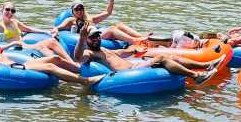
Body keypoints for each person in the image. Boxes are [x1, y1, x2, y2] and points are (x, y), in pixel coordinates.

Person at [0, 20, 104, 89]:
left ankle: (83, 71)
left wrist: (11, 45)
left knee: (54, 58)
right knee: (50, 66)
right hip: (13, 68)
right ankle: (85, 81)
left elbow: (0, 51)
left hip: (17, 64)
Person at [74, 23, 224, 85]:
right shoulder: (89, 52)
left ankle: (206, 65)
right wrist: (81, 39)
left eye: (97, 36)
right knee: (162, 58)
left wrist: (133, 49)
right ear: (87, 40)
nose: (96, 39)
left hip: (134, 64)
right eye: (92, 37)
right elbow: (78, 58)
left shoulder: (103, 50)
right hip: (128, 72)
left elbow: (120, 53)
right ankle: (196, 76)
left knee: (169, 56)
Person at [0, 0, 75, 64]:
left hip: (25, 45)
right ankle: (64, 65)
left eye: (12, 11)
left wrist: (46, 31)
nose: (10, 12)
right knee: (42, 47)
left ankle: (71, 63)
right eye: (7, 10)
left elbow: (28, 29)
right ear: (1, 10)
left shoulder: (15, 22)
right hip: (15, 49)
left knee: (52, 41)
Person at [51, 0, 150, 45]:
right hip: (91, 39)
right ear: (73, 11)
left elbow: (107, 12)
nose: (79, 11)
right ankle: (135, 41)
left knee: (119, 25)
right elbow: (58, 27)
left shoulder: (90, 19)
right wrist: (55, 30)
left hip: (99, 35)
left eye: (81, 8)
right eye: (76, 9)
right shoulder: (70, 20)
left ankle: (143, 37)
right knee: (112, 29)